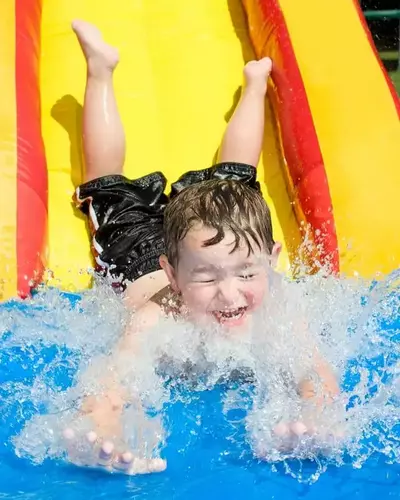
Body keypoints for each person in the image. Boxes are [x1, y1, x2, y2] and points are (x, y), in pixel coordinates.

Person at [65, 20, 340, 475]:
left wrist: (316, 416)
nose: (229, 295)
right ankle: (100, 69)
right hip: (140, 256)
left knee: (237, 181)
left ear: (271, 261)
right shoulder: (157, 317)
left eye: (247, 274)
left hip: (207, 237)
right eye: (208, 279)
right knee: (106, 187)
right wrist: (102, 425)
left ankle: (255, 84)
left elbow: (315, 373)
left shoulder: (280, 308)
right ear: (173, 276)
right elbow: (115, 378)